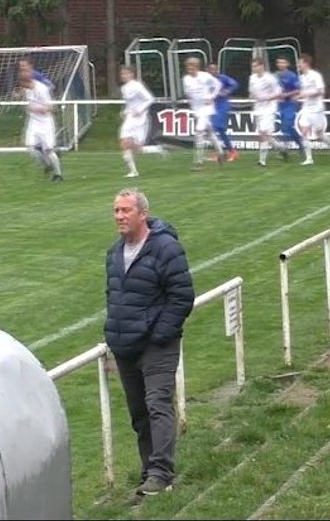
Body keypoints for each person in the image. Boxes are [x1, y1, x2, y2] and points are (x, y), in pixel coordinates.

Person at [105, 189, 195, 498]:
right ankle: (149, 471)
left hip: (158, 346)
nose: (119, 216)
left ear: (143, 214)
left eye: (125, 210)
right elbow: (115, 298)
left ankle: (161, 473)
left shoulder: (166, 248)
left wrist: (159, 334)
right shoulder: (113, 253)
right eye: (116, 210)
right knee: (139, 413)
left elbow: (182, 296)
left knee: (158, 406)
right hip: (125, 346)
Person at [19, 64, 64, 182]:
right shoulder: (25, 88)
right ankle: (47, 165)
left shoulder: (41, 89)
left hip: (46, 123)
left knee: (48, 150)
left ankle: (58, 174)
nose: (24, 74)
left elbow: (51, 107)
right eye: (22, 71)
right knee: (31, 148)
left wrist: (40, 109)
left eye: (26, 71)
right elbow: (22, 96)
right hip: (33, 122)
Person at [297, 54, 330, 165]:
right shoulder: (301, 78)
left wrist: (307, 93)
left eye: (300, 62)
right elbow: (300, 92)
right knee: (304, 132)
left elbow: (321, 91)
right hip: (306, 108)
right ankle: (309, 159)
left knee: (319, 134)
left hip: (317, 108)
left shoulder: (315, 75)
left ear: (306, 63)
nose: (298, 65)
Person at [182, 58, 224, 170]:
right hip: (196, 108)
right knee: (209, 131)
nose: (190, 70)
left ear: (196, 67)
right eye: (188, 68)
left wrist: (211, 97)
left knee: (199, 131)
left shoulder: (205, 76)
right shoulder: (186, 79)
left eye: (192, 67)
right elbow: (187, 92)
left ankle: (198, 162)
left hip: (206, 108)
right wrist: (189, 96)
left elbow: (218, 84)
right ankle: (220, 151)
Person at [119, 65, 156, 178]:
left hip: (140, 119)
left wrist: (140, 110)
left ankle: (157, 149)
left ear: (132, 74)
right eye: (122, 74)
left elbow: (150, 99)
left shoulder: (137, 86)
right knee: (124, 142)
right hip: (130, 118)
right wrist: (125, 111)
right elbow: (129, 104)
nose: (123, 76)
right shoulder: (124, 88)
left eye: (126, 73)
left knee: (137, 148)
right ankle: (133, 171)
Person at [248, 57, 285, 166]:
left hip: (269, 108)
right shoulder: (252, 78)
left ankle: (262, 161)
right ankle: (280, 148)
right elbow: (251, 92)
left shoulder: (270, 78)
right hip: (258, 108)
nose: (254, 68)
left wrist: (268, 98)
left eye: (255, 66)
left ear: (261, 66)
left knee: (264, 133)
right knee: (264, 134)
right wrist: (252, 96)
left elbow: (279, 92)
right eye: (253, 66)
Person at [206, 63, 240, 163]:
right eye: (211, 69)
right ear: (207, 70)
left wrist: (226, 91)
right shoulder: (206, 80)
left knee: (214, 127)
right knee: (221, 130)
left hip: (222, 105)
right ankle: (231, 151)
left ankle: (220, 152)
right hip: (212, 106)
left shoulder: (222, 78)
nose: (213, 71)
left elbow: (234, 84)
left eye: (215, 69)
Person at [274, 56, 306, 158]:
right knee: (285, 128)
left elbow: (298, 90)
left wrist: (286, 95)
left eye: (283, 62)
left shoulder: (292, 76)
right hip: (280, 105)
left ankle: (285, 150)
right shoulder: (275, 76)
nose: (280, 65)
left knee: (287, 126)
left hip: (290, 104)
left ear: (287, 64)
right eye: (279, 62)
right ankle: (300, 144)